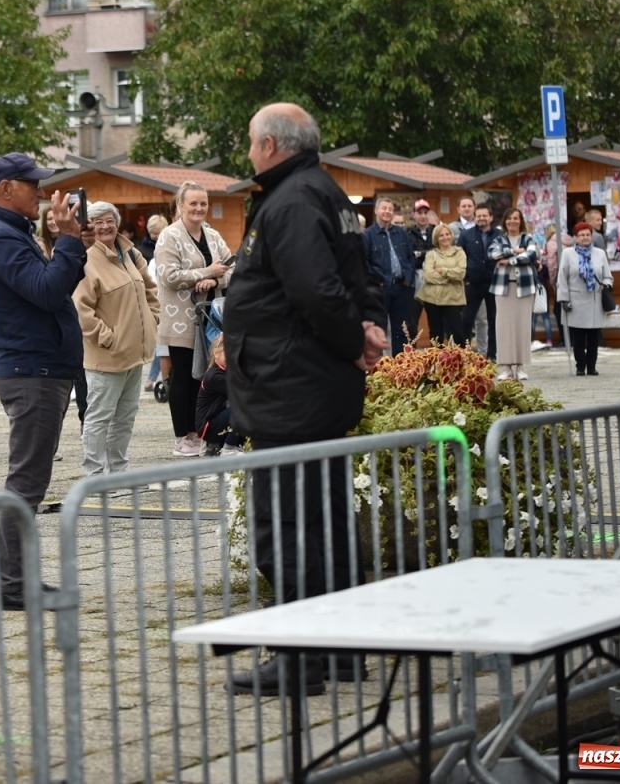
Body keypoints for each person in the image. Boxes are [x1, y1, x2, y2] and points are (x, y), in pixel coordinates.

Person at [223, 104, 387, 696]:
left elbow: (317, 290)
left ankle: (297, 659)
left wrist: (351, 343)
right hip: (306, 385)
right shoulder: (328, 193)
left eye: (250, 142)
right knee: (327, 524)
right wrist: (365, 326)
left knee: (285, 527)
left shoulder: (292, 200)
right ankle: (339, 652)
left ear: (270, 144)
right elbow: (358, 278)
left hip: (291, 387)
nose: (247, 153)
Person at [0, 153, 86, 612]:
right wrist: (70, 243)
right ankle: (14, 586)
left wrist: (69, 244)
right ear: (5, 188)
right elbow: (46, 290)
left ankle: (19, 581)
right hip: (31, 371)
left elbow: (50, 287)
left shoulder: (8, 231)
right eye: (33, 184)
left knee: (29, 480)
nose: (40, 191)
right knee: (26, 484)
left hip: (40, 367)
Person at [74, 200, 159, 477]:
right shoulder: (87, 261)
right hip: (106, 355)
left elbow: (150, 289)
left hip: (135, 353)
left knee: (124, 418)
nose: (105, 226)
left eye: (109, 220)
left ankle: (120, 472)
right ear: (89, 227)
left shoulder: (131, 254)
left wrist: (152, 319)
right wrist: (107, 337)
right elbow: (81, 310)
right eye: (97, 222)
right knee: (99, 417)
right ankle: (94, 475)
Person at [154, 181, 235, 458]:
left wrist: (213, 276)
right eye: (193, 203)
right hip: (180, 318)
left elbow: (231, 267)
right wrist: (204, 272)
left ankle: (199, 431)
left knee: (203, 376)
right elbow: (168, 276)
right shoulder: (169, 236)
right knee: (182, 376)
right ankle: (182, 436)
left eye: (203, 203)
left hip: (209, 318)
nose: (199, 208)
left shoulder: (212, 235)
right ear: (181, 206)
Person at [488, 207, 540, 381]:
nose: (512, 221)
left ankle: (521, 366)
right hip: (503, 289)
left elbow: (531, 255)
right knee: (503, 327)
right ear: (505, 221)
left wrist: (508, 260)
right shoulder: (499, 239)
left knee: (522, 326)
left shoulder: (528, 238)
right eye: (509, 218)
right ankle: (505, 367)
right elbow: (493, 253)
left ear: (521, 221)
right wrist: (516, 252)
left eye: (516, 218)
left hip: (525, 288)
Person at [362, 196, 417, 355]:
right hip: (381, 288)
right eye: (384, 208)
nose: (387, 212)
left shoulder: (401, 233)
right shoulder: (368, 235)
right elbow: (364, 262)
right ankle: (379, 369)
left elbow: (410, 257)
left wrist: (409, 276)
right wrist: (378, 282)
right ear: (376, 210)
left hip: (402, 287)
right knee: (380, 329)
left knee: (401, 330)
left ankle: (399, 367)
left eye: (390, 209)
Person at [558, 222, 613, 376]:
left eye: (587, 234)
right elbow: (562, 278)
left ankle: (592, 366)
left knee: (594, 337)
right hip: (575, 301)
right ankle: (580, 366)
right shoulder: (568, 254)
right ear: (575, 237)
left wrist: (606, 285)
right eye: (581, 235)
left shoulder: (599, 254)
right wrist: (563, 299)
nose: (585, 238)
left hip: (595, 300)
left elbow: (607, 276)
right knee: (579, 337)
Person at [417, 224, 466, 344]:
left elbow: (460, 274)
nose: (445, 237)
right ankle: (437, 361)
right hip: (432, 298)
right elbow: (428, 275)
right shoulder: (430, 254)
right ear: (436, 239)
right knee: (435, 334)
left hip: (453, 298)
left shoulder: (459, 252)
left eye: (447, 234)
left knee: (457, 333)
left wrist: (443, 271)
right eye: (441, 235)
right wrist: (448, 278)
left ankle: (461, 361)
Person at [458, 205, 498, 354]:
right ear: (474, 218)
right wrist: (466, 278)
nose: (481, 218)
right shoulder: (466, 235)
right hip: (472, 283)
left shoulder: (499, 235)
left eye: (484, 215)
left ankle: (492, 354)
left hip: (493, 283)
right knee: (466, 320)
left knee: (493, 320)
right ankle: (465, 353)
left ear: (491, 217)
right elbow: (460, 257)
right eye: (479, 216)